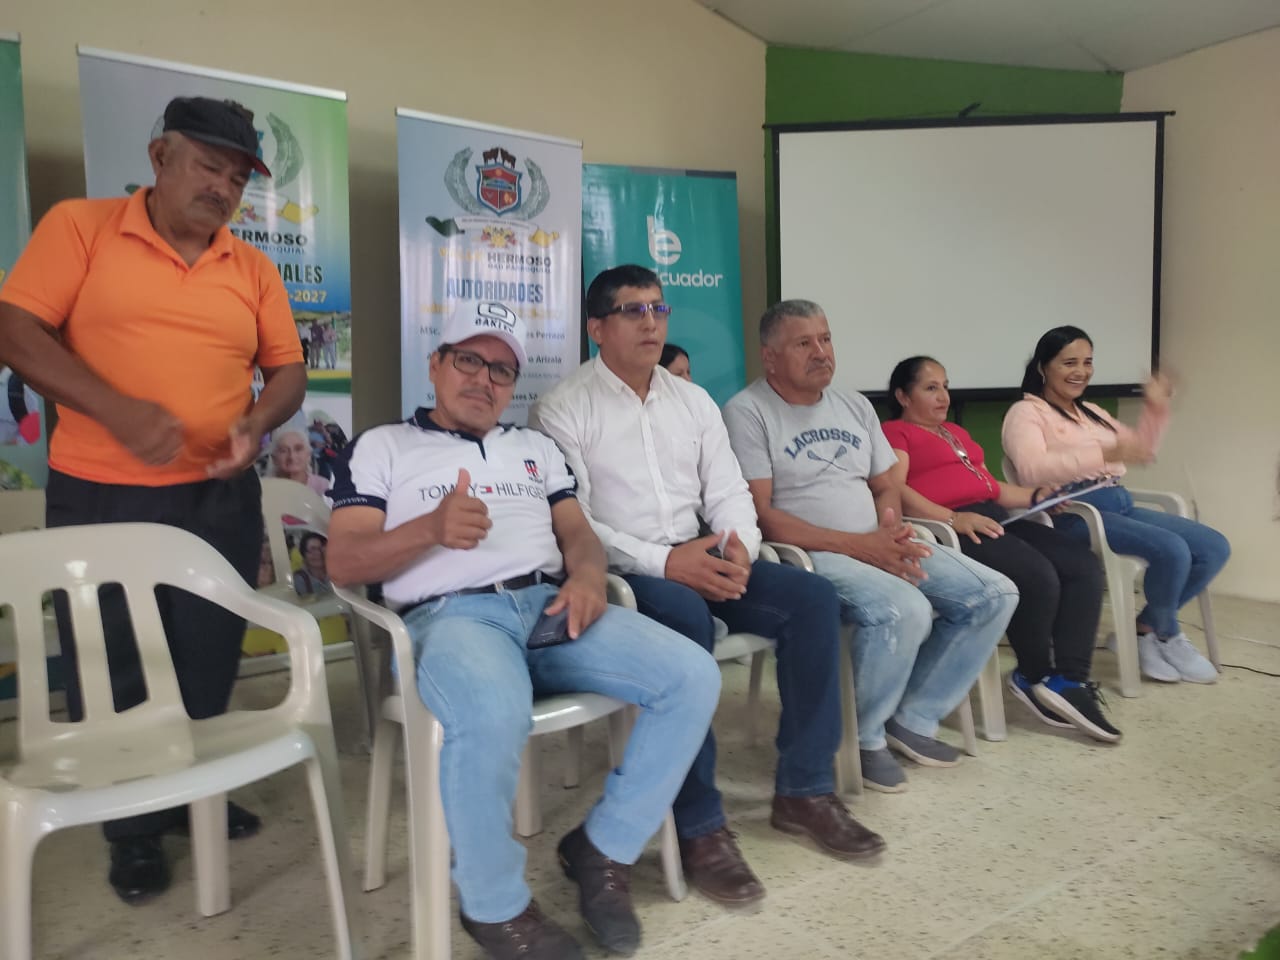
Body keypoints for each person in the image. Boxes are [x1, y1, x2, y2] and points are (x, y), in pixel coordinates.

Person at [325, 299, 720, 960]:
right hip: (452, 617)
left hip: (550, 606)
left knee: (692, 675)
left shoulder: (535, 448)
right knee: (490, 712)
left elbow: (577, 534)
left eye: (502, 370)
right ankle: (495, 908)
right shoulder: (382, 446)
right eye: (469, 361)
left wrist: (587, 576)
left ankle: (603, 849)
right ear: (436, 364)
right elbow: (343, 561)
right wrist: (429, 530)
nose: (484, 379)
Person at [0, 96, 306, 903]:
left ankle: (189, 792)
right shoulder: (81, 228)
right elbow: (16, 330)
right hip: (101, 495)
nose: (222, 188)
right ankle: (131, 829)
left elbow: (288, 371)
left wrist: (255, 425)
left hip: (217, 497)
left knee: (208, 658)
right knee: (113, 663)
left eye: (237, 178)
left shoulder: (251, 267)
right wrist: (117, 411)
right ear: (160, 157)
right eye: (209, 166)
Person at [531, 266, 885, 909]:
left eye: (658, 309)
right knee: (685, 621)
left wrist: (738, 546)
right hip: (625, 574)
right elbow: (576, 521)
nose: (650, 323)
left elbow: (727, 490)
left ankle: (804, 790)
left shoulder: (692, 401)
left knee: (811, 600)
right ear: (597, 328)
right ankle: (700, 828)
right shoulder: (563, 407)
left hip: (704, 554)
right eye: (633, 311)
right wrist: (667, 563)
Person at [722, 300, 1019, 793]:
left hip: (877, 541)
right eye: (804, 343)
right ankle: (860, 736)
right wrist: (863, 547)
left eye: (825, 339)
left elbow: (885, 485)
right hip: (810, 555)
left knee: (993, 594)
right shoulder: (747, 412)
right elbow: (762, 515)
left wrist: (888, 534)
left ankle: (913, 715)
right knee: (905, 609)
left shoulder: (854, 405)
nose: (821, 352)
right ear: (770, 356)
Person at [882, 356, 1118, 742]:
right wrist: (953, 518)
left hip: (992, 516)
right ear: (903, 396)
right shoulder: (895, 433)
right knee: (1037, 574)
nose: (943, 396)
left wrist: (1038, 496)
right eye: (930, 388)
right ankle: (1032, 675)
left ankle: (1069, 680)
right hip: (953, 528)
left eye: (945, 386)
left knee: (1083, 566)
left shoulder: (955, 432)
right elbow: (896, 489)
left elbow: (992, 488)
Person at [1002, 325, 1229, 684]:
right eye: (1069, 363)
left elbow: (1141, 450)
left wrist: (1156, 407)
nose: (1081, 371)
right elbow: (1032, 470)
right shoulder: (1026, 413)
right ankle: (1166, 635)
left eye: (1087, 362)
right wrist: (1103, 453)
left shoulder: (1092, 412)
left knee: (1213, 547)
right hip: (1072, 512)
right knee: (1172, 550)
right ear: (1044, 367)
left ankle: (1145, 629)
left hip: (1116, 501)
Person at [269, 428, 330, 494]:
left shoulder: (323, 487)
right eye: (284, 451)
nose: (292, 456)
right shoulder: (266, 488)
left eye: (298, 449)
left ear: (309, 454)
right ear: (274, 458)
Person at [292, 530, 331, 596]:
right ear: (304, 554)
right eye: (312, 550)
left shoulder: (335, 571)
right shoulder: (300, 579)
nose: (318, 553)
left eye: (320, 548)